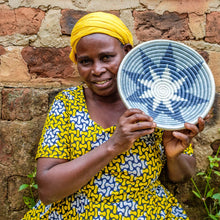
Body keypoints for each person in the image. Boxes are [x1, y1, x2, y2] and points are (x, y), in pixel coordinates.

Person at [23, 12, 207, 219]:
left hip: (145, 212)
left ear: (127, 52)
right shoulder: (67, 104)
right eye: (85, 61)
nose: (97, 70)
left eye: (106, 57)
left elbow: (182, 176)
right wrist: (114, 145)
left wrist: (174, 156)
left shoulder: (157, 102)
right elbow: (48, 191)